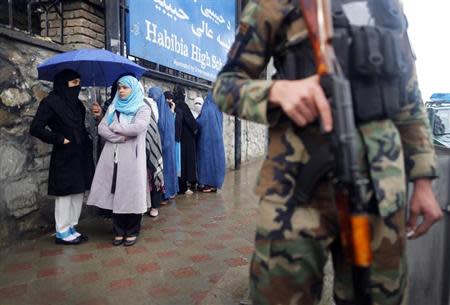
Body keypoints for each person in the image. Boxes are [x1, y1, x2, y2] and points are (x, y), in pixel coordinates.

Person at [212, 1, 443, 304]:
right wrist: (277, 93)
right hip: (295, 195)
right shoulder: (273, 4)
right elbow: (225, 87)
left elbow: (409, 97)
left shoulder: (388, 6)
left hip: (380, 194)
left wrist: (424, 180)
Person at [30, 69, 94, 245]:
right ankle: (62, 231)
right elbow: (36, 127)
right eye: (74, 83)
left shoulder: (78, 104)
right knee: (65, 193)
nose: (78, 86)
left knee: (78, 191)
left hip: (80, 154)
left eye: (79, 83)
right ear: (63, 83)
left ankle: (72, 226)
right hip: (64, 154)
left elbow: (80, 126)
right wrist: (59, 139)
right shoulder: (50, 103)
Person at [87, 75, 151, 247]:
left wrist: (114, 127)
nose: (121, 90)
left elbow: (137, 128)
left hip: (132, 158)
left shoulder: (142, 108)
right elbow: (102, 128)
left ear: (133, 89)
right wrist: (119, 138)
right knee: (115, 193)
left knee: (132, 193)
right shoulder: (114, 107)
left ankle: (132, 230)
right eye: (120, 87)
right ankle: (118, 230)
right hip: (113, 157)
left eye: (125, 87)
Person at [151, 88, 179, 204]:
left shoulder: (159, 111)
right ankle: (168, 192)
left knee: (163, 171)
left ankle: (163, 194)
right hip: (168, 148)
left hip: (163, 148)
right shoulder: (167, 111)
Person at [196, 93, 226, 193]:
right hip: (217, 140)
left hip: (206, 140)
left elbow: (201, 122)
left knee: (206, 162)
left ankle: (207, 185)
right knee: (216, 162)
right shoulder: (218, 109)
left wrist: (196, 120)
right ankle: (214, 184)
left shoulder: (207, 108)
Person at [173, 85, 199, 194]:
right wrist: (196, 129)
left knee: (179, 162)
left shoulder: (173, 105)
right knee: (187, 162)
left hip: (177, 137)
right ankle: (186, 185)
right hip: (187, 138)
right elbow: (190, 121)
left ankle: (180, 185)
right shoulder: (183, 105)